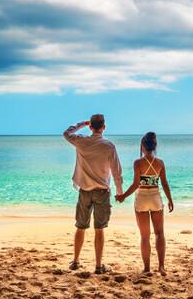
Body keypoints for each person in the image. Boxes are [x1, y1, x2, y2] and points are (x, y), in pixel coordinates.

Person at [63, 113, 123, 274]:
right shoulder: (108, 146)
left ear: (90, 127)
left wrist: (82, 123)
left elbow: (67, 133)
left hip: (85, 191)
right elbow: (117, 171)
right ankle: (98, 266)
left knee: (80, 227)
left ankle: (75, 261)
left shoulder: (81, 141)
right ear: (104, 127)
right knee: (99, 229)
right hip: (102, 192)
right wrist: (120, 192)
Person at [116, 131, 174, 275]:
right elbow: (165, 183)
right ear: (155, 146)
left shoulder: (138, 163)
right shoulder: (160, 163)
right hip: (155, 198)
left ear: (142, 146)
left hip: (142, 198)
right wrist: (170, 200)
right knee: (160, 233)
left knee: (144, 236)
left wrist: (123, 196)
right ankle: (161, 266)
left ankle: (147, 268)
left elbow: (136, 184)